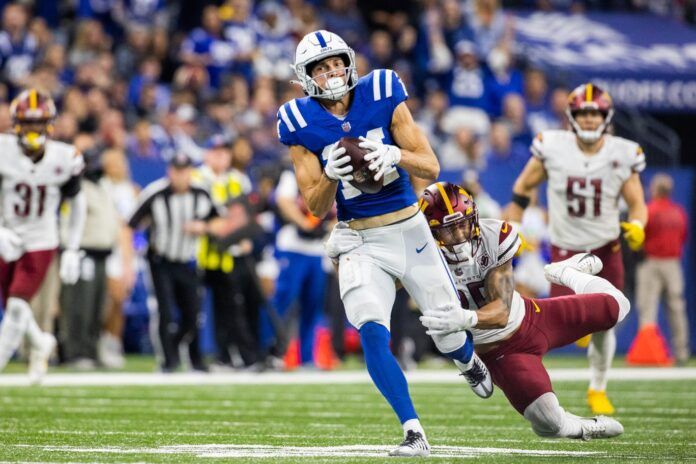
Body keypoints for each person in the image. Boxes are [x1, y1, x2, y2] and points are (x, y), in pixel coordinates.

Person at [277, 30, 489, 457]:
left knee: (448, 333)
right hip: (360, 238)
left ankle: (467, 361)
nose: (331, 71)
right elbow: (316, 206)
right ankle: (413, 429)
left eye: (336, 62)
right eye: (321, 67)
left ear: (349, 62)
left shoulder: (383, 89)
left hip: (410, 229)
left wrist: (396, 156)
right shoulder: (298, 120)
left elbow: (430, 165)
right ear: (306, 77)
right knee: (372, 329)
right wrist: (331, 175)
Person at [415, 182, 627, 440]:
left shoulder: (494, 235)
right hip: (500, 352)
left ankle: (567, 273)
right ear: (432, 231)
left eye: (463, 224)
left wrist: (465, 318)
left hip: (532, 316)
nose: (460, 235)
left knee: (618, 306)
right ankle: (585, 427)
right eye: (449, 229)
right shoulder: (420, 256)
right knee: (550, 424)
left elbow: (501, 311)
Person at [504, 83, 648, 415]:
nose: (587, 120)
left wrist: (639, 225)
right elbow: (523, 188)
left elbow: (637, 203)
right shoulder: (552, 146)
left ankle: (597, 387)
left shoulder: (622, 152)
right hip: (566, 251)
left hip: (605, 249)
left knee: (605, 321)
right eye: (582, 114)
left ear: (605, 116)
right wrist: (518, 225)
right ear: (571, 117)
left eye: (593, 113)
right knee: (557, 321)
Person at [0, 89, 86, 383]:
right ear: (16, 124)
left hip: (40, 238)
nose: (33, 130)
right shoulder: (3, 150)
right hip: (6, 232)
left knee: (15, 307)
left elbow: (77, 205)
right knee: (15, 306)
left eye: (38, 123)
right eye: (27, 123)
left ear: (49, 124)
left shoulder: (66, 157)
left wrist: (72, 248)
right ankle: (40, 342)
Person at [127, 153, 219, 373]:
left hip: (188, 261)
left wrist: (203, 228)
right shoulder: (155, 193)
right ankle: (168, 361)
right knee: (166, 312)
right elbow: (131, 225)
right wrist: (128, 259)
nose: (180, 175)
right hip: (161, 261)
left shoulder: (201, 192)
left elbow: (219, 220)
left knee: (193, 313)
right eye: (177, 170)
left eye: (185, 170)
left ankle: (192, 358)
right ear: (170, 171)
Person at [636, 173, 690, 365]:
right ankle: (681, 352)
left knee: (647, 308)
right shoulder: (679, 212)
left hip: (652, 263)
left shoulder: (649, 210)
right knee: (677, 309)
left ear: (655, 190)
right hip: (673, 264)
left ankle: (648, 353)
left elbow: (638, 238)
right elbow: (683, 237)